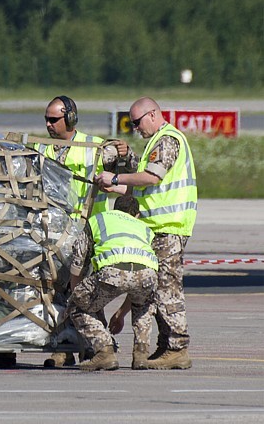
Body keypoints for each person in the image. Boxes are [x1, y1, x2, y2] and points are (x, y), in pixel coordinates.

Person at [96, 97, 197, 370]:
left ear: (152, 115)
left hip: (169, 228)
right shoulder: (157, 141)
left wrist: (116, 178)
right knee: (155, 288)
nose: (135, 128)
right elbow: (144, 188)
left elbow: (152, 178)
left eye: (137, 123)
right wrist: (114, 186)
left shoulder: (167, 140)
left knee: (167, 289)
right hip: (158, 228)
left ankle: (177, 347)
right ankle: (167, 347)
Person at [36, 95, 138, 368]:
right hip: (53, 231)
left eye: (54, 119)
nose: (48, 124)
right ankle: (64, 347)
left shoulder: (94, 147)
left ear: (70, 119)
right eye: (46, 119)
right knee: (57, 291)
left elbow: (132, 171)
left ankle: (99, 347)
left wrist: (126, 154)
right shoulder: (41, 147)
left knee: (85, 293)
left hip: (86, 229)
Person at [68, 195, 158, 371]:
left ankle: (104, 351)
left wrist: (77, 292)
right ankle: (141, 354)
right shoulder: (145, 228)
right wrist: (120, 314)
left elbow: (79, 261)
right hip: (148, 274)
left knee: (77, 306)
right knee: (143, 304)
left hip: (113, 272)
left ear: (114, 210)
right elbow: (134, 284)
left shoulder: (99, 220)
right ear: (137, 215)